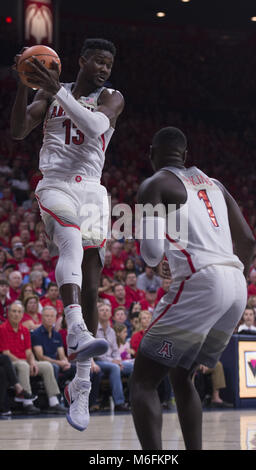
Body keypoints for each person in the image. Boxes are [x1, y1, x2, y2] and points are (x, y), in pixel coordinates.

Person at [11, 38, 124, 431]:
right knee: (71, 240)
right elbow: (19, 130)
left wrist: (55, 88)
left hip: (92, 189)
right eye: (98, 62)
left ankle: (81, 383)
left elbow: (95, 126)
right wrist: (25, 82)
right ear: (81, 61)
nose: (105, 69)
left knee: (92, 287)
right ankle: (74, 324)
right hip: (56, 182)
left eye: (109, 63)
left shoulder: (112, 97)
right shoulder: (49, 94)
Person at [130, 127, 255, 450]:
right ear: (185, 156)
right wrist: (231, 280)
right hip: (236, 287)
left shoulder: (154, 184)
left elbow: (152, 253)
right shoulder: (216, 185)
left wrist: (163, 260)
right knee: (182, 374)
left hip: (203, 284)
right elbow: (249, 242)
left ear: (151, 153)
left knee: (144, 381)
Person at [0, 302, 66, 414]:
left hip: (25, 361)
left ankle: (53, 402)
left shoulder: (25, 330)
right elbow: (6, 354)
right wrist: (26, 363)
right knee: (23, 365)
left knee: (46, 366)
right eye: (14, 311)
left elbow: (29, 352)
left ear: (22, 315)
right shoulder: (2, 329)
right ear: (8, 313)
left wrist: (33, 363)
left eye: (19, 312)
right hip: (12, 362)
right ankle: (27, 403)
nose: (16, 314)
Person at [95, 303, 131, 411]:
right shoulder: (93, 329)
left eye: (107, 310)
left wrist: (119, 361)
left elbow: (115, 351)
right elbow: (97, 354)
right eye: (102, 310)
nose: (105, 312)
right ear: (97, 313)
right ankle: (119, 403)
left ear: (111, 314)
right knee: (114, 368)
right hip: (98, 361)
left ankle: (131, 399)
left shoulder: (112, 331)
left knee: (134, 367)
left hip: (113, 361)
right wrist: (114, 362)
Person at [31, 306, 76, 389]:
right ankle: (56, 396)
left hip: (56, 363)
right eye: (47, 316)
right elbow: (40, 357)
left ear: (55, 318)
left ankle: (73, 396)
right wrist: (59, 363)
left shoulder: (57, 335)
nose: (49, 318)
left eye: (52, 316)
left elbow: (62, 355)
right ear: (42, 317)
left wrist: (65, 362)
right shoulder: (36, 334)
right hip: (45, 363)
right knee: (54, 367)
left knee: (75, 368)